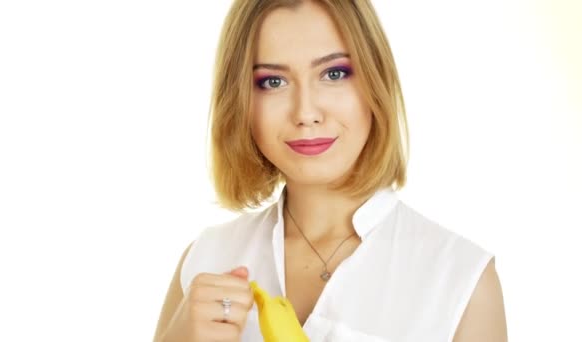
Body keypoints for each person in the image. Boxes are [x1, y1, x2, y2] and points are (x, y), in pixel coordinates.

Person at [153, 0, 508, 341]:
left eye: (334, 73)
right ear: (240, 100)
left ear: (375, 81)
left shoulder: (461, 280)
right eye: (273, 82)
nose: (306, 112)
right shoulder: (206, 260)